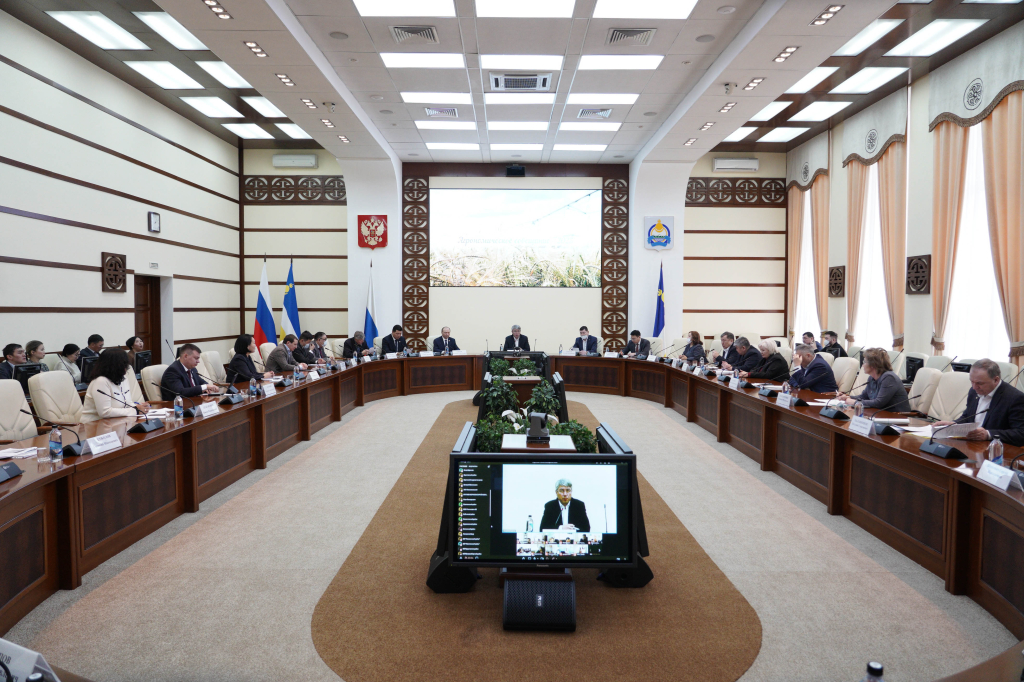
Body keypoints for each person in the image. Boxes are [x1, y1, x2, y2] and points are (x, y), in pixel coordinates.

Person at [933, 359, 1024, 446]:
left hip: (996, 449)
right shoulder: (973, 392)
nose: (974, 387)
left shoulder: (1015, 398)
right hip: (972, 445)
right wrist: (954, 425)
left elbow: (1021, 433)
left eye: (979, 383)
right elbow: (967, 416)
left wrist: (988, 434)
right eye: (972, 382)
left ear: (996, 380)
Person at [82, 349, 150, 423]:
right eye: (123, 364)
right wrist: (135, 410)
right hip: (94, 424)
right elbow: (105, 412)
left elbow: (127, 403)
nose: (126, 367)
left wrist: (140, 407)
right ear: (114, 366)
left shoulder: (123, 378)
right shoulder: (101, 381)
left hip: (117, 421)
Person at [836, 347, 909, 413]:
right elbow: (864, 396)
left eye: (864, 362)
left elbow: (879, 403)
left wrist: (855, 402)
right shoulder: (872, 378)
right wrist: (847, 397)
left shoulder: (889, 378)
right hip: (880, 414)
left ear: (873, 365)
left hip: (896, 416)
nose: (862, 365)